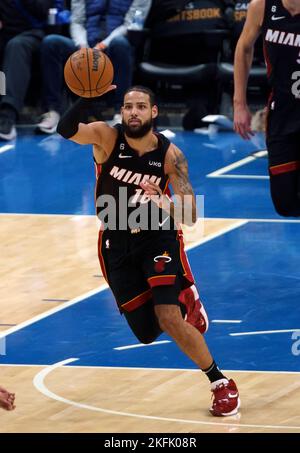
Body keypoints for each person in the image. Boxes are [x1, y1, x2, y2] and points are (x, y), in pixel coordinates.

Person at [57, 84, 240, 416]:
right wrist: (86, 97)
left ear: (154, 112)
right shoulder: (106, 137)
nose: (133, 112)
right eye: (128, 106)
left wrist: (163, 200)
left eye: (141, 106)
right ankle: (182, 296)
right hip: (116, 242)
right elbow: (66, 129)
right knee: (144, 333)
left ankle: (220, 381)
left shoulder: (171, 156)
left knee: (168, 317)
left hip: (158, 238)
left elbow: (191, 214)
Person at [36, 0, 150, 134]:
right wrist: (83, 46)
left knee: (120, 44)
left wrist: (102, 45)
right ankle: (53, 111)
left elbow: (132, 23)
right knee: (51, 43)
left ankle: (120, 113)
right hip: (85, 43)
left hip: (114, 44)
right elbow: (77, 21)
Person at [233, 0, 300, 217]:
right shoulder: (261, 6)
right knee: (285, 203)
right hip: (282, 112)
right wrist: (239, 104)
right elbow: (244, 48)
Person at [0, 0, 54, 141]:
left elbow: (42, 11)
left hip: (36, 33)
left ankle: (7, 117)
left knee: (16, 46)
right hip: (6, 34)